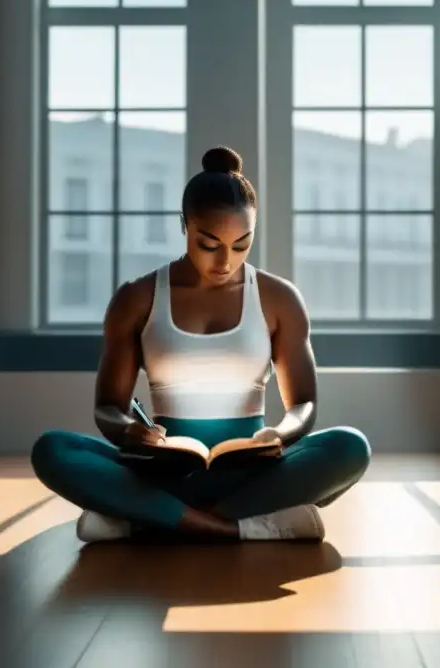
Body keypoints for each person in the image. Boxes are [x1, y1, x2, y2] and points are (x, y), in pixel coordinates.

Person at [30, 146, 371, 543]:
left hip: (249, 472)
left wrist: (280, 434)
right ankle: (231, 526)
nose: (226, 261)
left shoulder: (280, 299)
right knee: (52, 449)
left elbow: (304, 404)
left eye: (242, 244)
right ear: (184, 225)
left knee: (350, 446)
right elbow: (108, 407)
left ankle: (147, 517)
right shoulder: (137, 298)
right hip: (163, 471)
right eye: (209, 244)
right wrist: (128, 432)